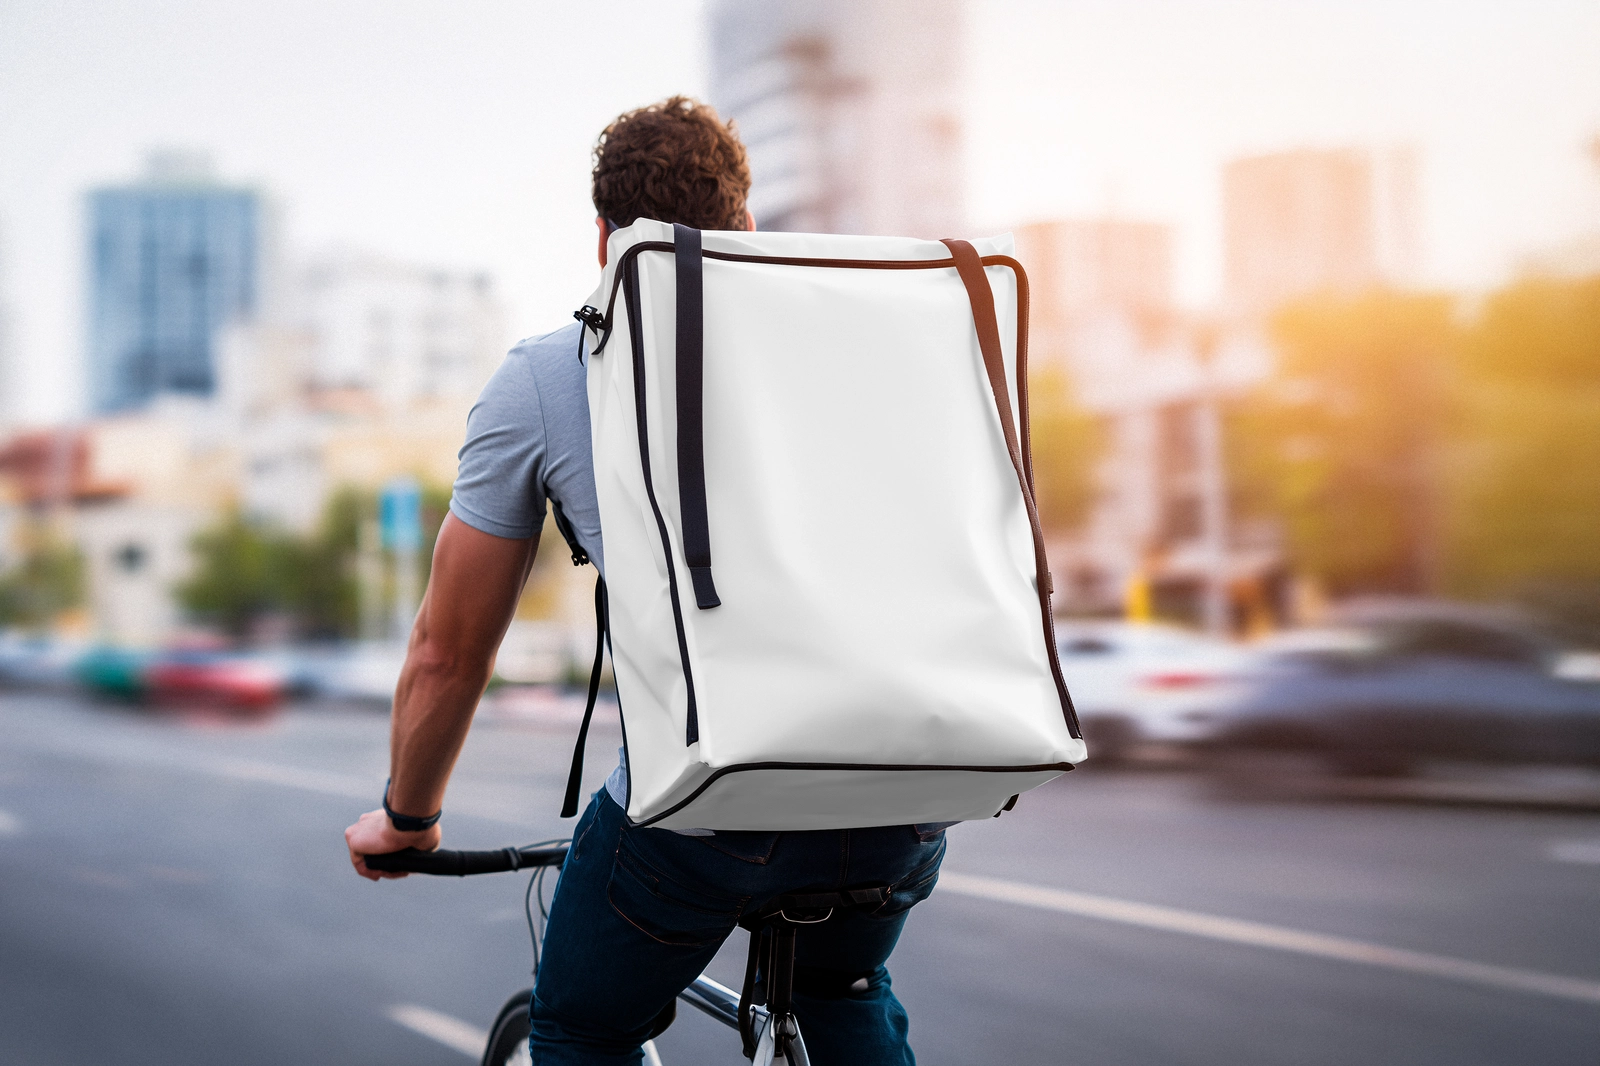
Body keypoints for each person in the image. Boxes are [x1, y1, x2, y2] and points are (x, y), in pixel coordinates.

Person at [344, 96, 947, 1066]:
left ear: (603, 241)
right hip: (907, 783)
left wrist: (409, 818)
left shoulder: (550, 376)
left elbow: (447, 650)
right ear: (748, 225)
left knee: (583, 1024)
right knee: (844, 983)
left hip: (706, 805)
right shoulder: (868, 344)